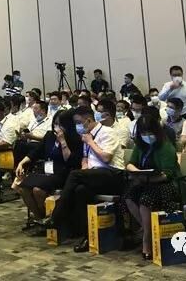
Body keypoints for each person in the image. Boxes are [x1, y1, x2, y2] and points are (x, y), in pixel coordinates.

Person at [42, 106, 126, 252]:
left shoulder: (107, 132)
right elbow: (85, 159)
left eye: (78, 122)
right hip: (94, 175)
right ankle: (87, 237)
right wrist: (84, 168)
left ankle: (56, 216)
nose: (77, 126)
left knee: (74, 175)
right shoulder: (86, 135)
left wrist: (91, 142)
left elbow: (106, 158)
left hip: (113, 174)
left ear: (88, 120)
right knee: (80, 190)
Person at [15, 109, 83, 233]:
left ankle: (49, 219)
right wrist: (22, 162)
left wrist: (63, 141)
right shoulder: (49, 135)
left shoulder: (75, 138)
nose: (57, 128)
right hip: (46, 169)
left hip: (62, 172)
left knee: (37, 190)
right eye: (55, 124)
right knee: (22, 188)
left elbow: (71, 160)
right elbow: (36, 152)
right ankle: (39, 218)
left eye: (60, 125)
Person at [124, 113, 181, 259]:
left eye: (149, 133)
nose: (147, 136)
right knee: (129, 197)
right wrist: (136, 171)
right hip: (145, 181)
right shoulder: (140, 145)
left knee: (145, 200)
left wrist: (149, 179)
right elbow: (130, 163)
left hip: (166, 184)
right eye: (143, 133)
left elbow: (168, 174)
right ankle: (148, 229)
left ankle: (146, 239)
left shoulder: (166, 147)